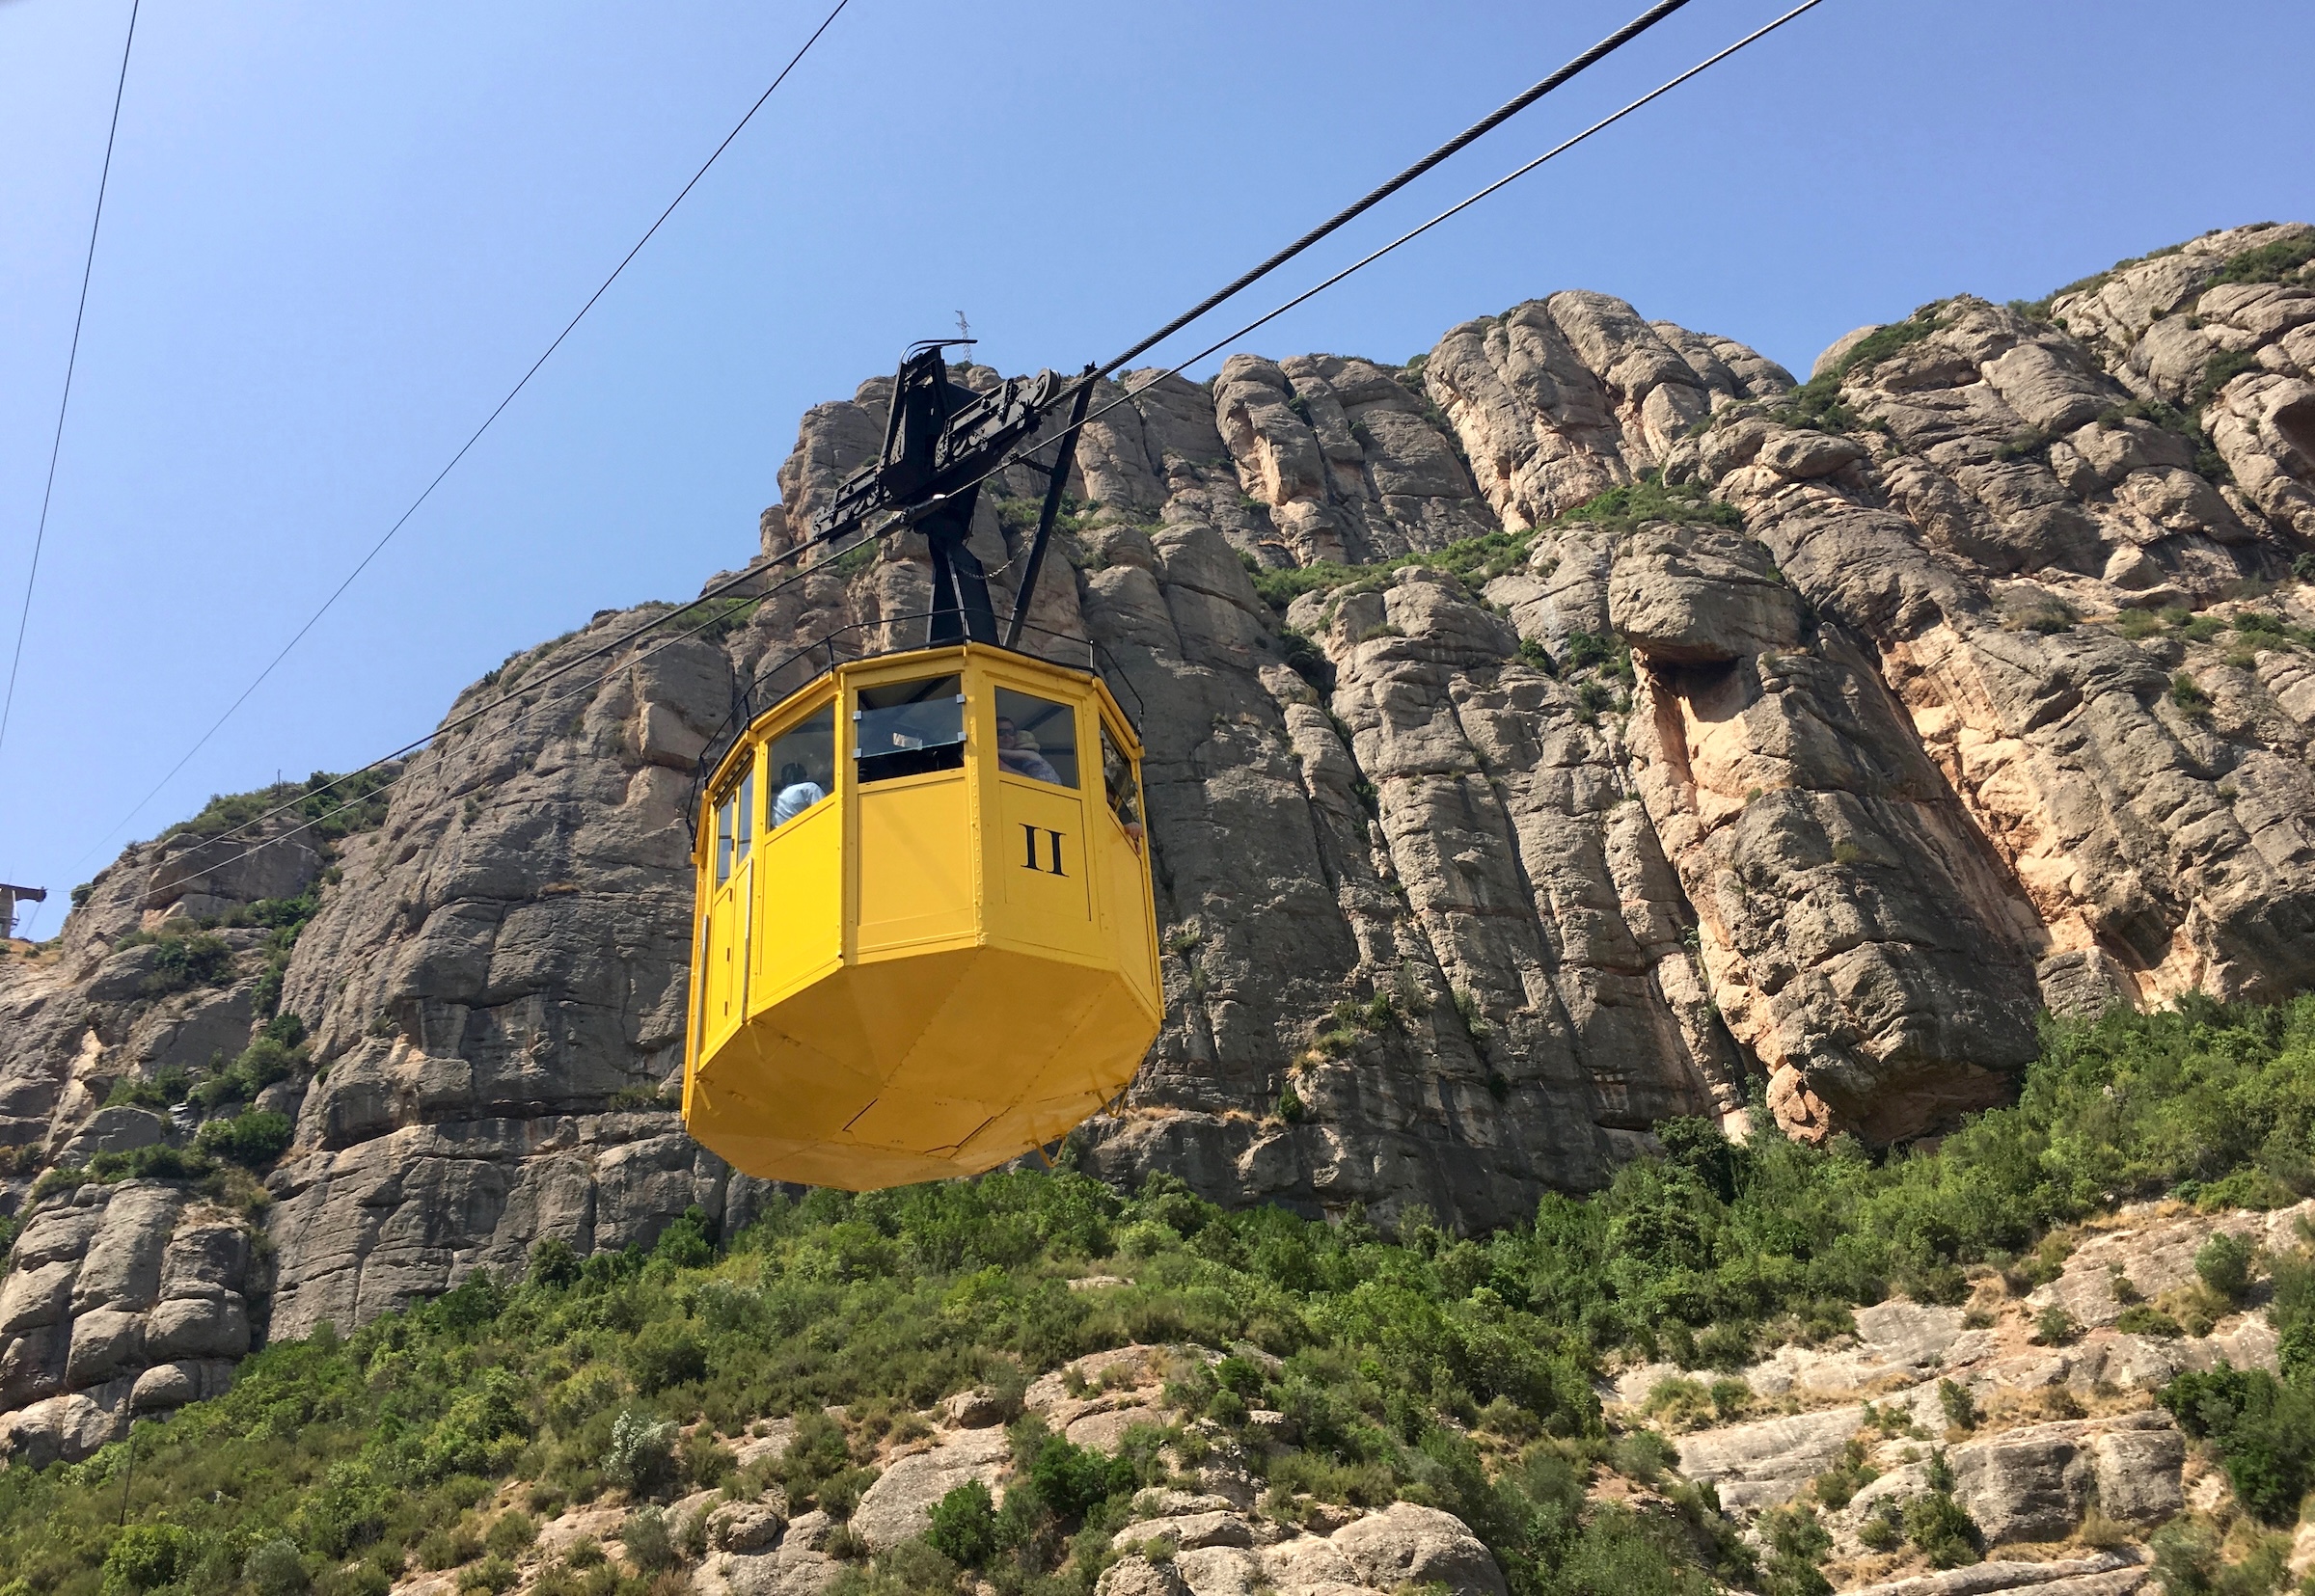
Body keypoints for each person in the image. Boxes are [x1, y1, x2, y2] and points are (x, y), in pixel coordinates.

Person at [995, 717, 1062, 784]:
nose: (1007, 736)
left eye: (1011, 732)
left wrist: (995, 750)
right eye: (1001, 732)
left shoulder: (1027, 756)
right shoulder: (997, 760)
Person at [771, 761, 825, 827]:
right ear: (803, 776)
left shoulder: (775, 800)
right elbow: (823, 813)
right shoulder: (810, 787)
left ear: (783, 779)